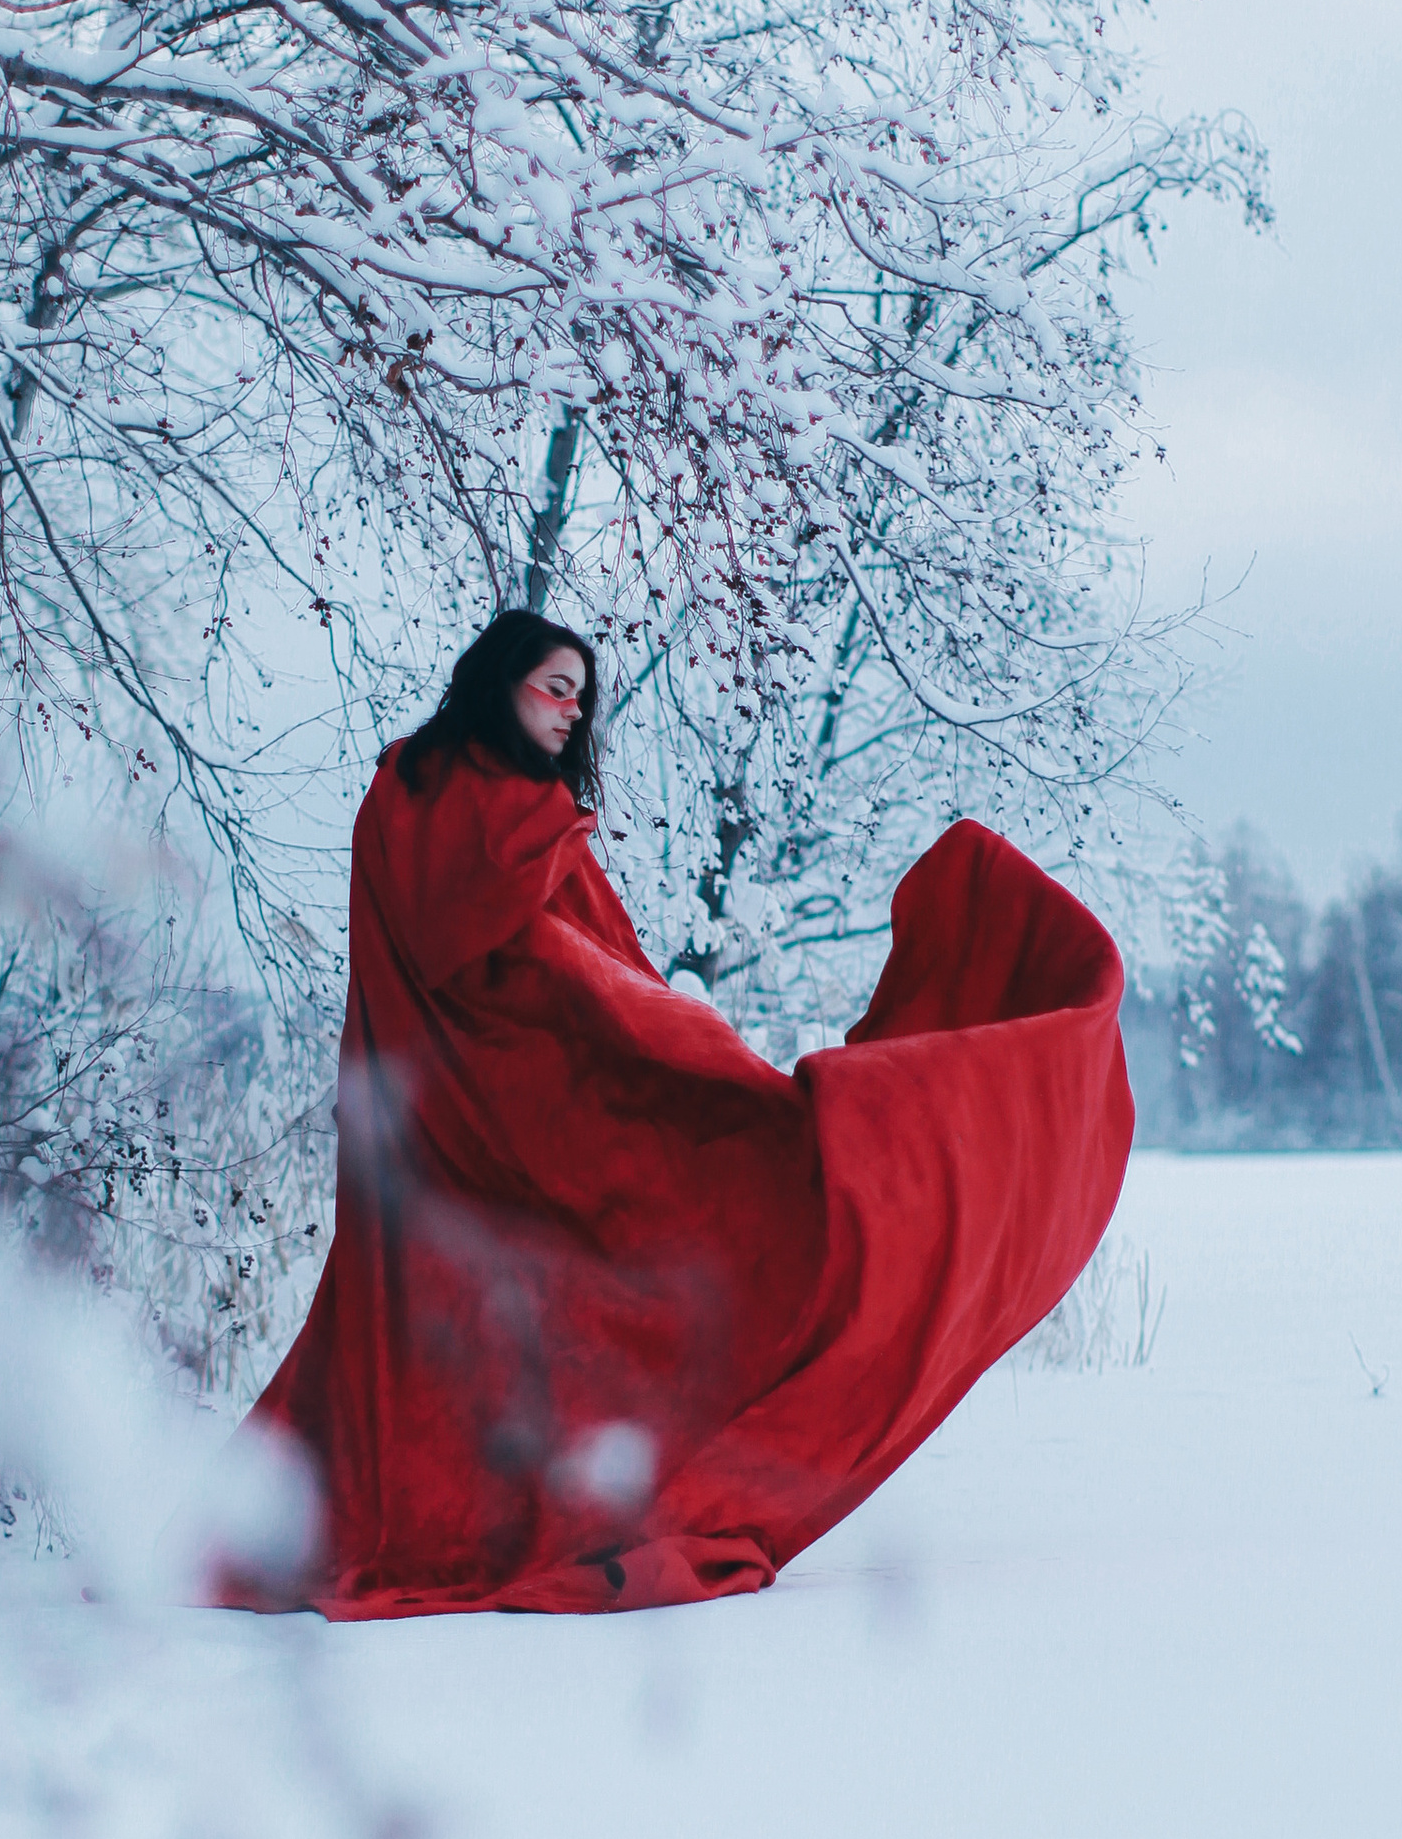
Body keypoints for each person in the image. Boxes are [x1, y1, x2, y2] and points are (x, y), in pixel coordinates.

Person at [227, 608, 1133, 1617]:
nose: (572, 710)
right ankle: (500, 1512)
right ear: (496, 683)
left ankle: (470, 1505)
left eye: (581, 693)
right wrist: (698, 1063)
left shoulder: (442, 804)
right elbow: (557, 983)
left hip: (442, 1132)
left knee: (501, 1327)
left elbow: (579, 970)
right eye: (551, 686)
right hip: (489, 1123)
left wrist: (665, 1035)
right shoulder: (483, 817)